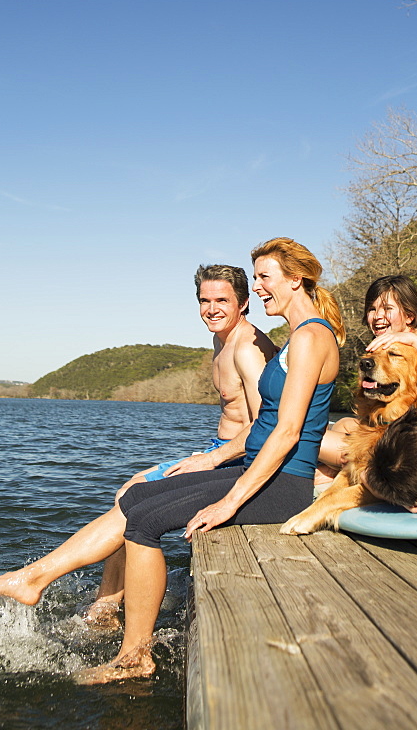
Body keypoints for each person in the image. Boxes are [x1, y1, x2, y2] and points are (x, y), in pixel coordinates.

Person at [0, 237, 346, 684]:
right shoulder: (297, 338)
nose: (258, 287)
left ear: (295, 280)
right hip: (258, 470)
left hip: (282, 484)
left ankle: (135, 657)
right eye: (255, 276)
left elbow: (286, 432)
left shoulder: (312, 337)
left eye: (264, 277)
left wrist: (230, 501)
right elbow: (269, 428)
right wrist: (211, 460)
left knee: (145, 524)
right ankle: (35, 578)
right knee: (137, 498)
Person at [87, 263, 277, 625]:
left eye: (222, 299)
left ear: (244, 302)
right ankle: (111, 600)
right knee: (127, 491)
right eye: (204, 300)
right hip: (216, 447)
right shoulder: (220, 339)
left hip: (233, 457)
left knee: (130, 495)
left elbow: (261, 427)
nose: (211, 308)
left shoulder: (247, 349)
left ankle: (107, 605)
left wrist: (211, 460)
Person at [315, 274, 417, 487]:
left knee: (319, 440)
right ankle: (334, 471)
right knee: (342, 424)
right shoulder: (387, 345)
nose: (378, 315)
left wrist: (412, 339)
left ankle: (337, 472)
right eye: (372, 309)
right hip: (400, 424)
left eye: (387, 309)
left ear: (409, 317)